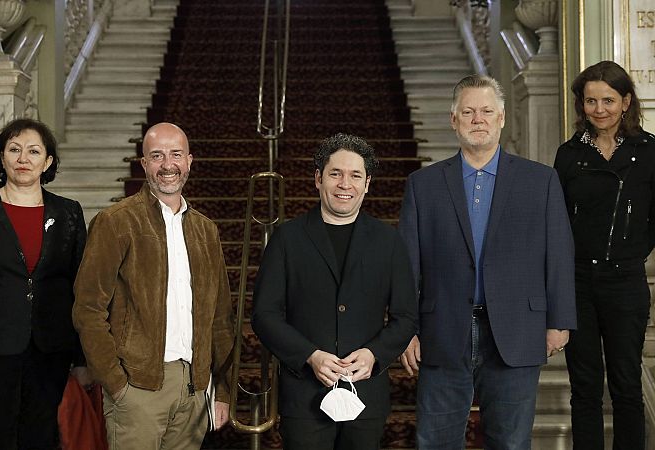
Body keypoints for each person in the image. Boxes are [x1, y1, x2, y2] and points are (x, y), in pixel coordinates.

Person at [398, 75, 577, 449]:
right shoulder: (423, 184)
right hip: (442, 330)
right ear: (453, 120)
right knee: (435, 442)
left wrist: (559, 321)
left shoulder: (540, 180)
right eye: (468, 112)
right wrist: (405, 328)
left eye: (486, 111)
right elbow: (407, 265)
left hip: (517, 329)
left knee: (510, 442)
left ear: (501, 118)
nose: (477, 119)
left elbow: (558, 252)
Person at [72, 122, 235, 450]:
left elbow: (220, 318)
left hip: (195, 388)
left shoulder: (206, 230)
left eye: (176, 154)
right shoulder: (116, 222)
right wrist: (116, 383)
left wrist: (223, 390)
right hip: (138, 386)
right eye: (157, 156)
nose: (167, 165)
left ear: (189, 161)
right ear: (144, 164)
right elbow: (88, 309)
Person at [251, 133, 417, 450]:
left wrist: (374, 354)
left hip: (366, 395)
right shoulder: (287, 238)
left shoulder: (389, 241)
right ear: (318, 179)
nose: (345, 184)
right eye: (335, 174)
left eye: (355, 175)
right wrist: (309, 356)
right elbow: (264, 315)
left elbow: (406, 317)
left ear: (367, 183)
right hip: (304, 396)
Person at [0, 118, 89, 449]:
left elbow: (81, 291)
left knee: (43, 439)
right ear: (1, 157)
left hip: (50, 349)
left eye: (34, 151)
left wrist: (83, 360)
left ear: (48, 161)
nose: (24, 158)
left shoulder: (68, 213)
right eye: (14, 149)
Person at [554, 60, 654, 450]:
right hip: (578, 283)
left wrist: (631, 253)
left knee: (627, 384)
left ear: (626, 101)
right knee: (584, 387)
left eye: (608, 100)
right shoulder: (568, 155)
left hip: (626, 283)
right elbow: (556, 223)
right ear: (581, 105)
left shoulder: (649, 151)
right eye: (591, 101)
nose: (599, 109)